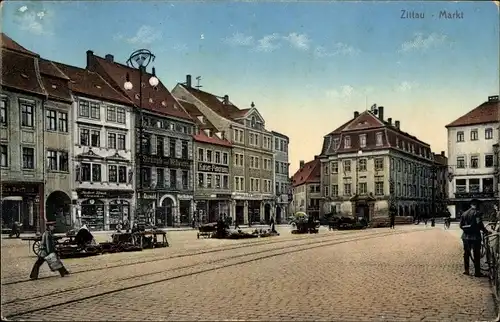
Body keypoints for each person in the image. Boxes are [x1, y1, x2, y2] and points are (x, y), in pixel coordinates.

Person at [460, 199, 489, 277]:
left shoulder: (464, 214)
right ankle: (477, 272)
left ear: (471, 205)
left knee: (466, 253)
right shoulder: (477, 213)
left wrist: (467, 230)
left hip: (465, 237)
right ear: (477, 205)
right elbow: (480, 224)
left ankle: (466, 270)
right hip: (475, 237)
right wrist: (486, 232)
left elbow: (461, 226)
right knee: (476, 254)